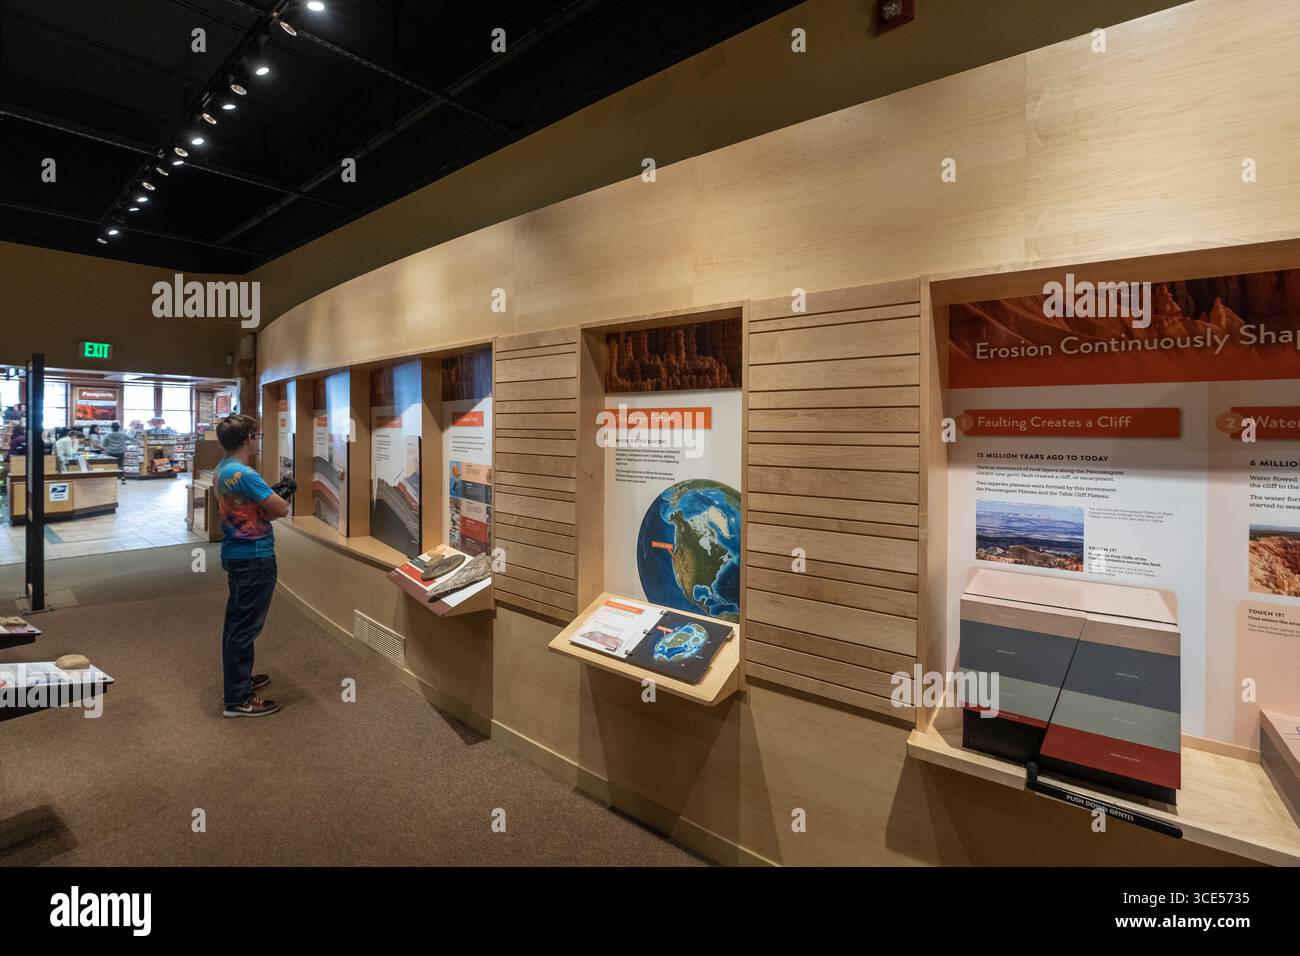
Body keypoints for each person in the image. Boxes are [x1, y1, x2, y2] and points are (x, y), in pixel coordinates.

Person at [214, 413, 290, 718]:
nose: (257, 441)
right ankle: (237, 699)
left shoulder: (223, 469)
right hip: (254, 556)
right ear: (247, 439)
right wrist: (278, 496)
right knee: (244, 628)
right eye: (255, 435)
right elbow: (280, 509)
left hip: (236, 553)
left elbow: (253, 508)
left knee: (237, 622)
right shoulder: (245, 474)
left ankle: (238, 682)